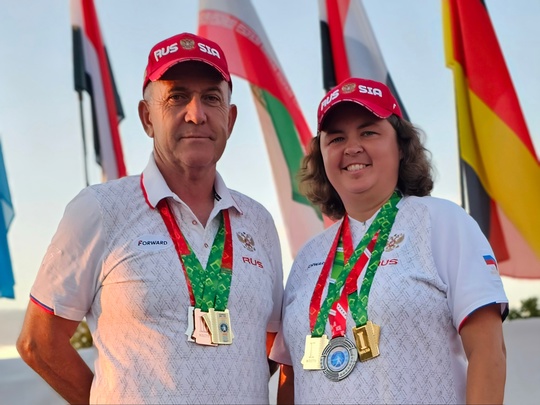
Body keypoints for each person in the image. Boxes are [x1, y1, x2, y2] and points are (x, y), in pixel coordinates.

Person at [17, 32, 283, 405]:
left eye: (211, 98)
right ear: (147, 118)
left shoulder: (258, 221)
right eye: (177, 97)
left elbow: (271, 342)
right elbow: (38, 342)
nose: (196, 114)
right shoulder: (99, 208)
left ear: (231, 118)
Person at [270, 77, 508, 404]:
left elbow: (488, 350)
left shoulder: (442, 222)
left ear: (401, 147)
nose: (352, 147)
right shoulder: (308, 256)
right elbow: (290, 375)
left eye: (368, 132)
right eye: (336, 138)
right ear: (321, 158)